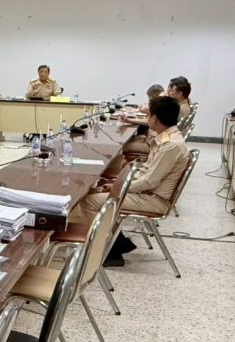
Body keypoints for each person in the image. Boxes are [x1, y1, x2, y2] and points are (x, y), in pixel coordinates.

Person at [71, 96, 189, 266]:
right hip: (147, 192)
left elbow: (149, 182)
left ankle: (108, 252)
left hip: (153, 199)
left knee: (89, 202)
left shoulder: (170, 145)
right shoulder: (169, 137)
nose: (147, 118)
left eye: (148, 115)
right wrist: (118, 183)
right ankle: (117, 242)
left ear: (154, 119)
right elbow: (146, 173)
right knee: (98, 190)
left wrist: (118, 188)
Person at [121, 84, 165, 156]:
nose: (149, 101)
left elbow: (148, 122)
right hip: (150, 139)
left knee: (123, 145)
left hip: (152, 143)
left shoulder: (161, 108)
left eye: (150, 99)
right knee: (126, 139)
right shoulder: (163, 106)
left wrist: (129, 120)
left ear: (156, 97)